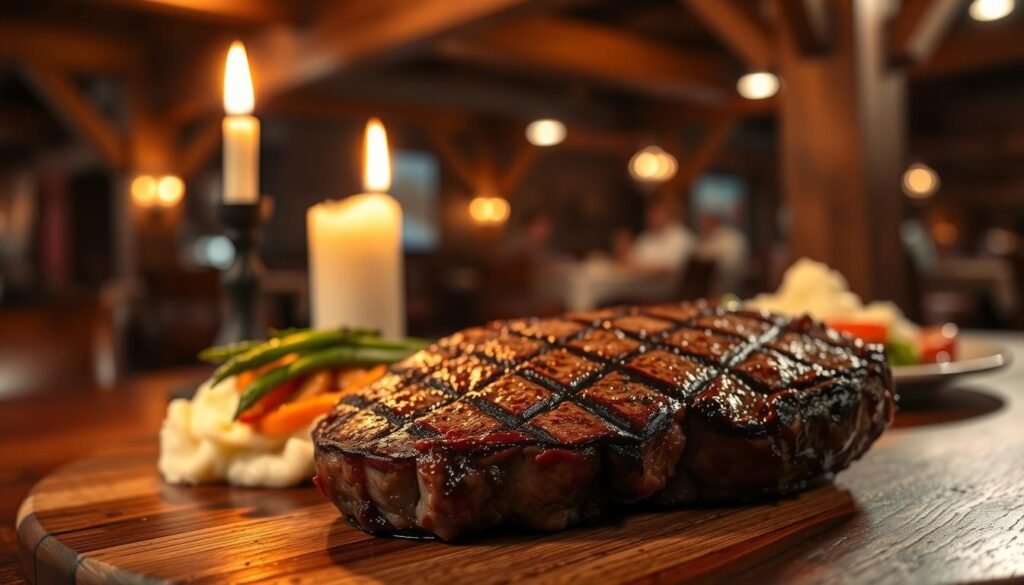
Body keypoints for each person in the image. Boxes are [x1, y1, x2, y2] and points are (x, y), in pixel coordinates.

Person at [615, 197, 695, 274]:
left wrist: (638, 266)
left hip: (671, 283)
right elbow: (627, 262)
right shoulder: (645, 237)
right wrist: (623, 249)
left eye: (658, 213)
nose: (653, 217)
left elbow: (668, 267)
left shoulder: (681, 236)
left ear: (668, 213)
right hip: (642, 282)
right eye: (651, 213)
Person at [694, 212, 749, 295]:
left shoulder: (731, 238)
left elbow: (730, 265)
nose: (701, 225)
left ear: (714, 221)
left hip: (728, 285)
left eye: (705, 221)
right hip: (711, 286)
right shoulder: (706, 239)